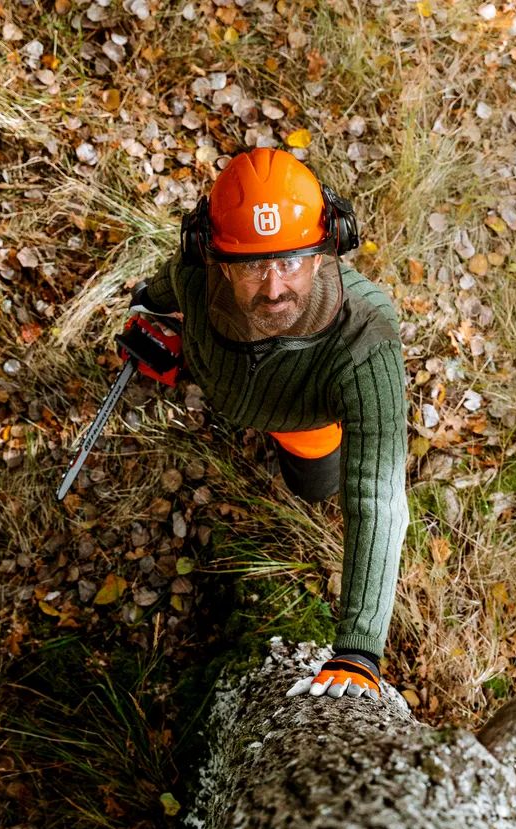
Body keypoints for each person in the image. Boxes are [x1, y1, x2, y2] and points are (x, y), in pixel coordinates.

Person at [126, 148, 408, 703]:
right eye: (253, 265)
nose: (274, 287)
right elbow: (167, 290)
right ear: (215, 258)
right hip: (225, 383)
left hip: (303, 418)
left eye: (292, 261)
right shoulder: (194, 275)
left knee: (314, 487)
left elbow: (377, 495)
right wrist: (151, 315)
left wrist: (358, 649)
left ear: (327, 249)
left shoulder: (364, 338)